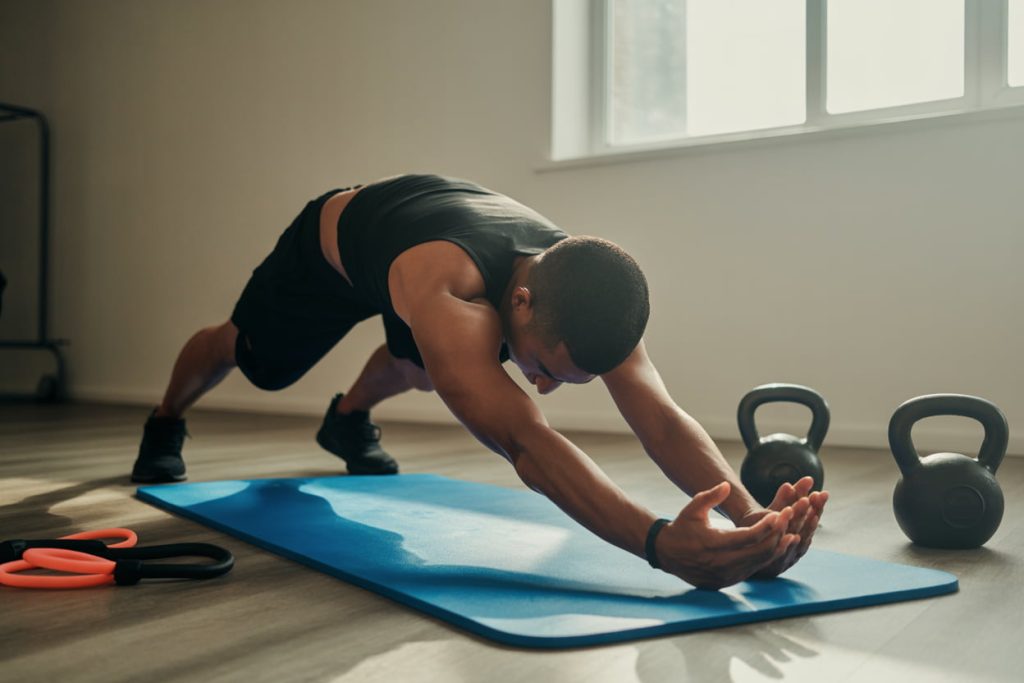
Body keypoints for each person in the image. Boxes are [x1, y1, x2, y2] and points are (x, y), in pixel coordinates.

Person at [132, 173, 827, 589]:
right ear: (516, 304)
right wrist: (656, 543)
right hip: (330, 251)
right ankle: (166, 415)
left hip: (410, 248)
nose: (546, 388)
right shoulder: (451, 297)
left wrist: (749, 518)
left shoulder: (586, 292)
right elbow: (526, 440)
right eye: (547, 370)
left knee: (418, 368)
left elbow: (662, 418)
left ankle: (346, 417)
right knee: (258, 357)